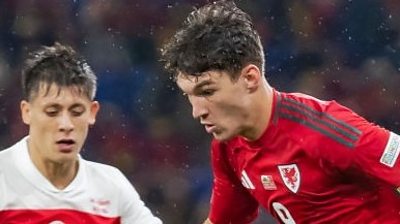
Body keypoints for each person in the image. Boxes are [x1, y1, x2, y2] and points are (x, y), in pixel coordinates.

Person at [161, 1, 400, 223]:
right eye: (189, 95)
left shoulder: (323, 127)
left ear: (250, 78)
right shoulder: (228, 148)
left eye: (208, 91)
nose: (196, 111)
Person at [0, 43, 162, 224]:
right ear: (26, 112)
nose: (66, 125)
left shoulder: (111, 186)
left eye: (76, 112)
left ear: (92, 113)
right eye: (52, 112)